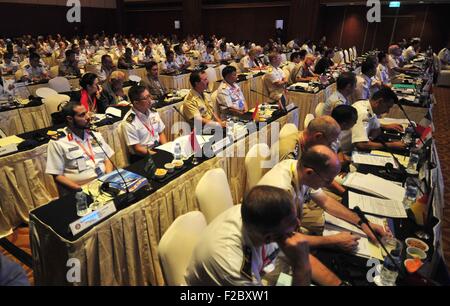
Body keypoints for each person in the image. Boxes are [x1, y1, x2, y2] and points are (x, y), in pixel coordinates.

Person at [185, 185, 343, 286]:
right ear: (269, 238)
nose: (298, 224)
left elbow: (298, 248)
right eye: (291, 226)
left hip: (263, 274)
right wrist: (301, 266)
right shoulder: (233, 264)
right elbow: (301, 260)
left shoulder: (260, 217)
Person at [259, 145, 389, 248]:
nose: (329, 184)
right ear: (310, 173)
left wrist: (363, 223)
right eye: (327, 180)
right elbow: (286, 240)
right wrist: (332, 241)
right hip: (269, 249)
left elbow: (326, 201)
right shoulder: (280, 191)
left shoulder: (298, 168)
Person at [45, 101, 114, 191]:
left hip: (104, 182)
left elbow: (107, 159)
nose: (88, 117)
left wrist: (108, 178)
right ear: (70, 119)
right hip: (81, 188)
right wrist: (80, 189)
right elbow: (57, 175)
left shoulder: (94, 134)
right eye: (82, 115)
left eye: (87, 113)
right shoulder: (58, 142)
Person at [343, 86, 406, 153]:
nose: (387, 111)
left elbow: (376, 128)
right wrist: (391, 145)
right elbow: (361, 144)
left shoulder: (366, 104)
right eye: (387, 107)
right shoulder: (363, 113)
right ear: (380, 101)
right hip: (347, 152)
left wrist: (384, 126)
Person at [122, 85, 167, 163]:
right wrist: (157, 155)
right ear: (136, 103)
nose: (150, 100)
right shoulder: (129, 122)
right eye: (146, 98)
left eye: (149, 96)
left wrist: (166, 148)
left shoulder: (153, 112)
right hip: (143, 156)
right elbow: (137, 149)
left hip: (158, 149)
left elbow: (161, 133)